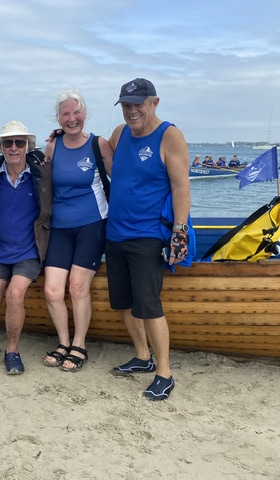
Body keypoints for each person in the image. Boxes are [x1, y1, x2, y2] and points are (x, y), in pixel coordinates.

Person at [106, 78, 191, 400]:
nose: (131, 111)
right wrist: (60, 136)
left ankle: (164, 372)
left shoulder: (169, 135)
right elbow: (103, 158)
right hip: (114, 233)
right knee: (125, 303)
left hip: (147, 235)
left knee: (150, 306)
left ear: (154, 103)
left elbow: (181, 187)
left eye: (137, 104)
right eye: (126, 105)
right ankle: (142, 356)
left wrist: (179, 232)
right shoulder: (120, 134)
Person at [41, 90, 113, 372]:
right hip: (59, 227)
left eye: (76, 113)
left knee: (77, 287)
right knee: (52, 291)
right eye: (66, 114)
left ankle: (79, 344)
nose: (72, 119)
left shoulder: (99, 144)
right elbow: (40, 180)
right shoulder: (53, 146)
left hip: (92, 225)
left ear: (85, 114)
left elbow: (122, 179)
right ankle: (63, 342)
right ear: (58, 118)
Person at [0, 121, 52, 375]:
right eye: (8, 143)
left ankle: (12, 350)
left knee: (15, 294)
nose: (14, 148)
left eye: (20, 142)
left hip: (28, 251)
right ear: (0, 147)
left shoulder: (41, 174)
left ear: (28, 146)